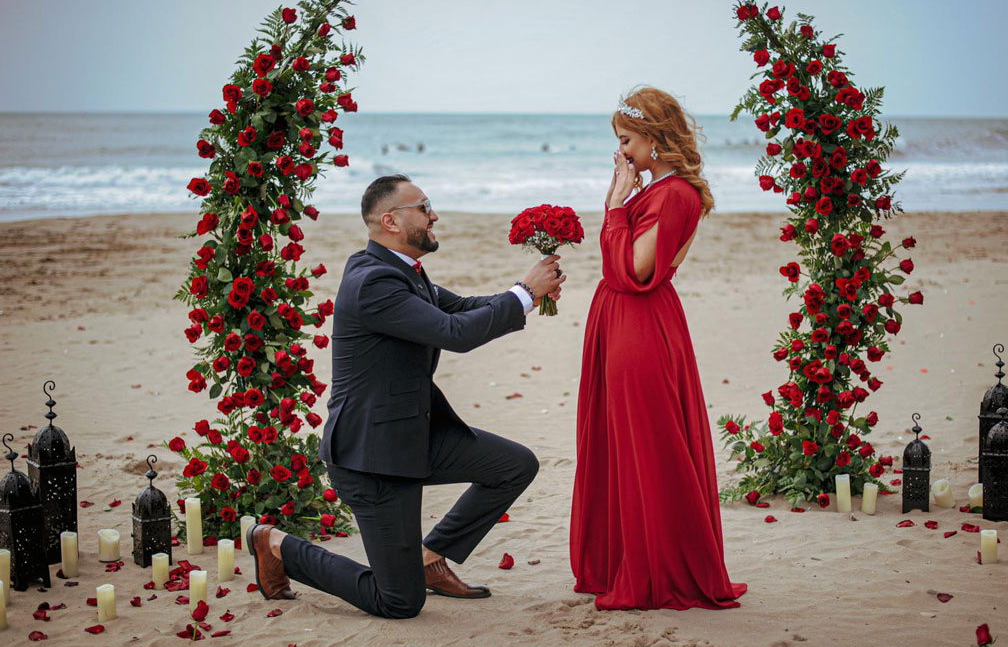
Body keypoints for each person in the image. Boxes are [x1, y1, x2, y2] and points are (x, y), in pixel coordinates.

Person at [247, 174, 566, 619]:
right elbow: (455, 333)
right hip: (372, 459)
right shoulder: (374, 282)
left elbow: (459, 309)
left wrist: (528, 292)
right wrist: (526, 293)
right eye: (424, 207)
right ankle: (278, 545)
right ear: (391, 220)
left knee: (514, 465)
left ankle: (429, 556)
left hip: (413, 436)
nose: (434, 215)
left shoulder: (402, 270)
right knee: (398, 602)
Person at [570, 87, 747, 610]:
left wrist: (613, 207)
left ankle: (657, 566)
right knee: (625, 441)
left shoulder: (674, 195)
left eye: (626, 140)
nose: (621, 152)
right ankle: (625, 556)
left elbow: (636, 270)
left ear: (654, 138)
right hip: (629, 321)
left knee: (649, 446)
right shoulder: (666, 190)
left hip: (640, 326)